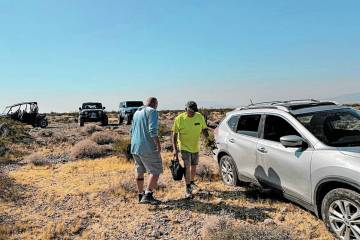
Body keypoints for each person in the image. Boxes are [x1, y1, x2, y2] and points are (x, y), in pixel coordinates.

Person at [172, 101, 209, 198]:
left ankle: (191, 182)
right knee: (187, 167)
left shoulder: (199, 116)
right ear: (186, 109)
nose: (193, 113)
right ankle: (188, 188)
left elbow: (204, 129)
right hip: (184, 147)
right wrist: (175, 149)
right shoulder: (179, 119)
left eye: (194, 111)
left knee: (194, 166)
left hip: (195, 147)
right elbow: (174, 134)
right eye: (191, 111)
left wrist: (209, 141)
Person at [131, 97, 162, 204]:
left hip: (135, 147)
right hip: (147, 146)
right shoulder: (152, 111)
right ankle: (148, 195)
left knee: (139, 170)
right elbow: (152, 130)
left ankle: (140, 195)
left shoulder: (137, 113)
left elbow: (132, 129)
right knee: (155, 170)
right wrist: (158, 144)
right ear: (155, 103)